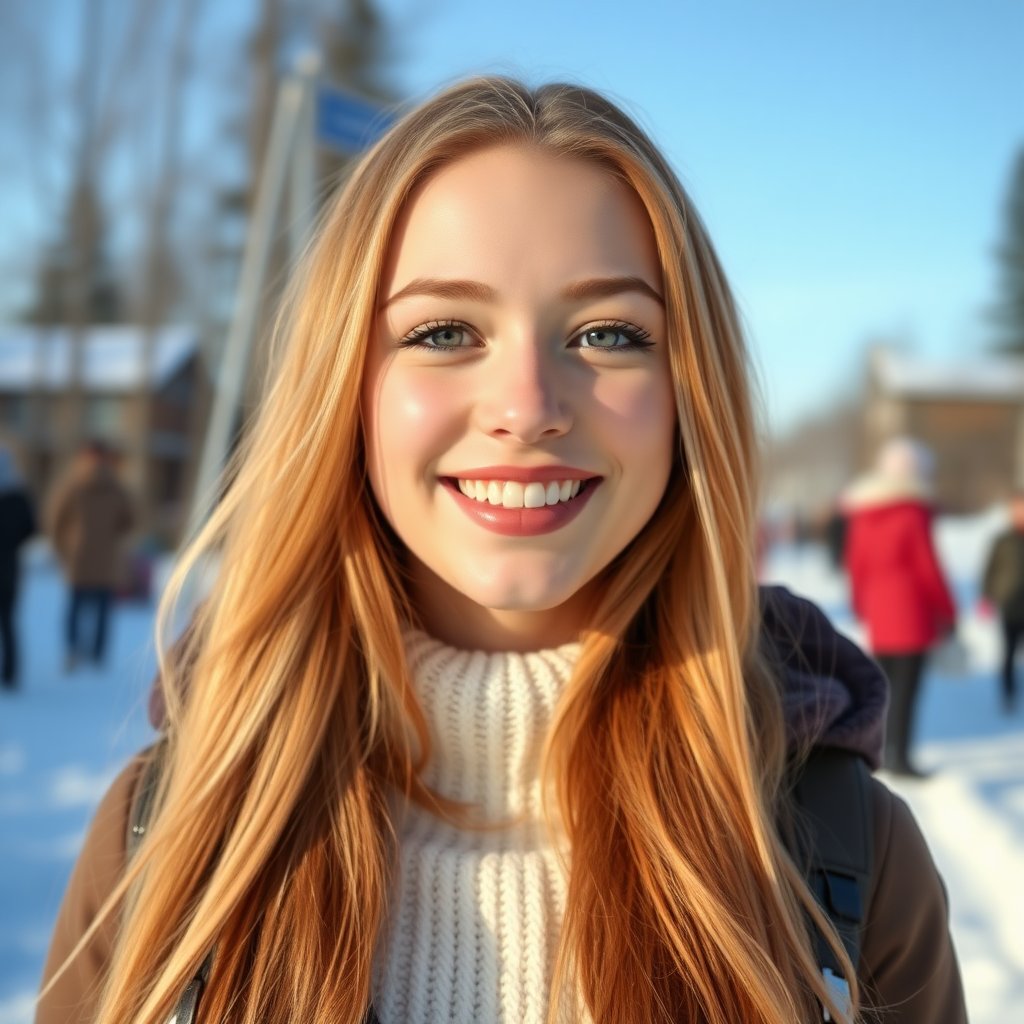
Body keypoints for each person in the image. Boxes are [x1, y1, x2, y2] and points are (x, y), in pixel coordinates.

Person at [37, 79, 965, 1024]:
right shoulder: (167, 838)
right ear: (345, 387)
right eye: (444, 332)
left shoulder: (847, 861)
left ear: (693, 396)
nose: (526, 406)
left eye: (608, 333)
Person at [843, 438, 957, 777]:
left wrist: (862, 605)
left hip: (880, 614)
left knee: (885, 687)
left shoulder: (864, 514)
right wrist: (949, 611)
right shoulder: (913, 512)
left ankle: (881, 753)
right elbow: (928, 568)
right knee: (907, 690)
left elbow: (856, 565)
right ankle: (901, 758)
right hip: (912, 615)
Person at [47, 441, 134, 670]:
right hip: (106, 561)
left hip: (78, 559)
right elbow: (130, 522)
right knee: (102, 612)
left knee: (75, 609)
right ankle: (97, 655)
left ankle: (73, 650)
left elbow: (55, 520)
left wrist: (61, 548)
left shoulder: (72, 485)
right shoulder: (117, 488)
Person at [982, 491, 1024, 713]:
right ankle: (1008, 695)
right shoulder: (1002, 540)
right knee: (1008, 653)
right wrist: (986, 596)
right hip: (1009, 606)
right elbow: (990, 570)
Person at [0, 446, 36, 689]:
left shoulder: (19, 496)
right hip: (8, 567)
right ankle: (10, 673)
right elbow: (30, 529)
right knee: (7, 622)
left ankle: (10, 673)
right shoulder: (19, 496)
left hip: (7, 566)